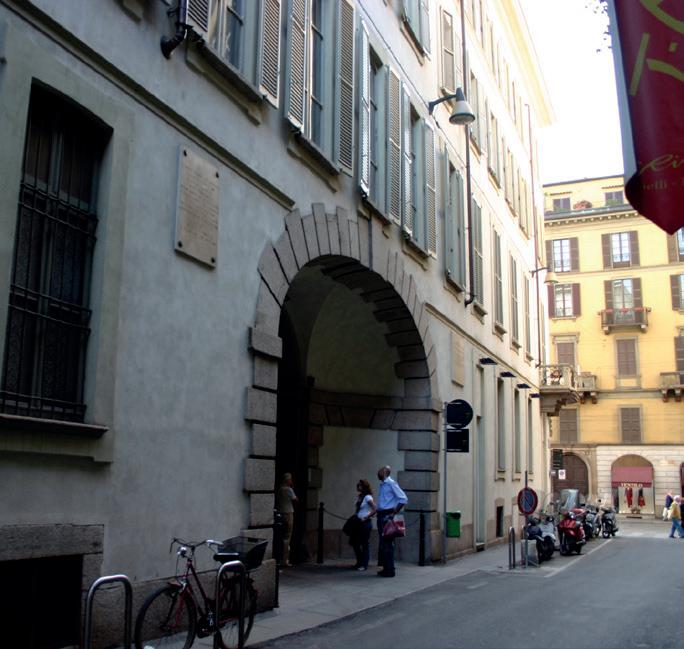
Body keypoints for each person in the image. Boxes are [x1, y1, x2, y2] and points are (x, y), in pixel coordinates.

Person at [376, 465, 407, 578]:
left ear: (385, 472)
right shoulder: (383, 484)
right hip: (381, 515)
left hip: (387, 516)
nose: (378, 472)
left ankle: (389, 570)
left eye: (380, 470)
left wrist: (393, 513)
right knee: (384, 544)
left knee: (388, 544)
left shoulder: (391, 483)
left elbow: (403, 499)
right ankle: (386, 568)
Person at [351, 479, 376, 571]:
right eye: (358, 485)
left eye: (360, 485)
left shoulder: (367, 497)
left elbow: (375, 509)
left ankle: (364, 564)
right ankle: (359, 562)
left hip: (365, 523)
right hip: (358, 522)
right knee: (355, 542)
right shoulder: (360, 496)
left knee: (364, 543)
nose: (358, 486)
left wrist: (366, 517)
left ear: (364, 487)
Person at [277, 473, 298, 566]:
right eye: (290, 479)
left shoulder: (280, 489)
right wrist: (292, 487)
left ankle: (279, 557)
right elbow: (296, 500)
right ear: (287, 480)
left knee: (280, 536)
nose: (291, 481)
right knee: (287, 536)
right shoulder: (289, 489)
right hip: (288, 513)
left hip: (280, 512)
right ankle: (285, 560)